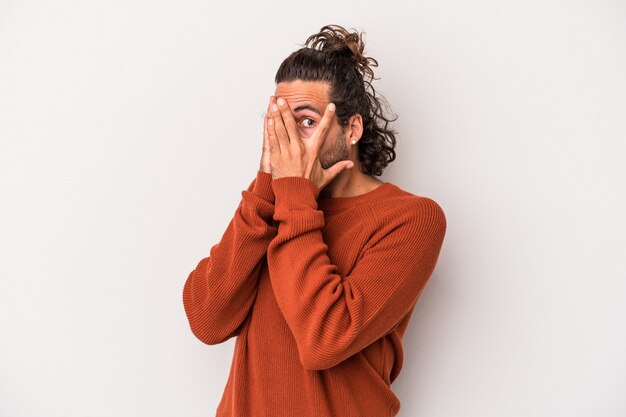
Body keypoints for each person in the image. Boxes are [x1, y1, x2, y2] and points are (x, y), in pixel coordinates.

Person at [182, 24, 447, 417]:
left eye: (305, 121)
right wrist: (265, 191)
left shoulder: (411, 218)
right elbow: (207, 319)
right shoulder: (273, 205)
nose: (287, 137)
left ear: (352, 128)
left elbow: (324, 340)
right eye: (279, 121)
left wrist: (293, 196)